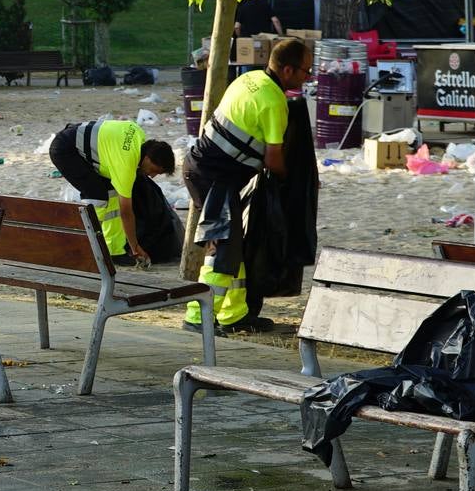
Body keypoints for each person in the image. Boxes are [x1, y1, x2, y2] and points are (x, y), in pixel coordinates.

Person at [183, 37, 314, 333]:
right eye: (306, 71)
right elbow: (274, 158)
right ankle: (197, 317)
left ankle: (234, 315)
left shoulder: (249, 78)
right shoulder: (274, 102)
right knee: (223, 246)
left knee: (233, 244)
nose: (309, 77)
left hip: (201, 166)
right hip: (215, 177)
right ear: (288, 70)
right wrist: (290, 181)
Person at [49, 119, 177, 264]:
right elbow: (126, 213)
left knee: (112, 195)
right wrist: (135, 247)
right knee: (97, 196)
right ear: (147, 158)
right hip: (65, 149)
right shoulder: (126, 166)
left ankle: (114, 251)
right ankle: (84, 244)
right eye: (153, 170)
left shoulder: (138, 134)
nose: (152, 175)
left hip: (77, 137)